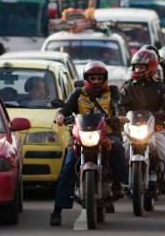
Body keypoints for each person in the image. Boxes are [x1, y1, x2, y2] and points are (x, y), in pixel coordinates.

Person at [50, 61, 128, 226]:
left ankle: (117, 184)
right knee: (69, 166)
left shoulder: (113, 91)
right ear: (86, 78)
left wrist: (120, 115)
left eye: (100, 78)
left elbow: (118, 105)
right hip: (81, 138)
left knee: (119, 147)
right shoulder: (78, 93)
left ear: (105, 78)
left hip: (107, 135)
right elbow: (66, 108)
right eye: (93, 78)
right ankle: (57, 210)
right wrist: (61, 115)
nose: (96, 81)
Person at [120, 49, 165, 203]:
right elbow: (119, 105)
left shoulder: (162, 89)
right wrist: (119, 115)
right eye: (136, 67)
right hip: (131, 131)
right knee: (118, 153)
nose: (138, 70)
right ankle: (113, 189)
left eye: (141, 67)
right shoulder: (127, 87)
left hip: (154, 131)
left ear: (151, 67)